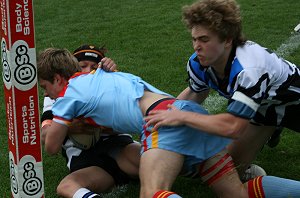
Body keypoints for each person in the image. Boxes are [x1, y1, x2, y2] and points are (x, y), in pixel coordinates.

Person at [38, 48, 300, 198]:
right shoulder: (102, 73)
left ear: (59, 78)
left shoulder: (67, 95)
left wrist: (64, 122)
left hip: (163, 120)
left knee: (151, 193)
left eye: (45, 86)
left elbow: (50, 147)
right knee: (238, 193)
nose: (45, 94)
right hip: (186, 110)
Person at [144, 0, 300, 177]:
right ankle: (269, 130)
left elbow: (233, 126)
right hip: (264, 108)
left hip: (293, 102)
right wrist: (162, 115)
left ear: (227, 40)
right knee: (229, 172)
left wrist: (183, 116)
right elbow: (196, 91)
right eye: (194, 39)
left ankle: (273, 129)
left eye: (204, 39)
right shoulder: (197, 63)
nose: (197, 46)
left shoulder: (249, 69)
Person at [40, 45, 141, 198]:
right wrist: (70, 126)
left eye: (93, 67)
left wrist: (98, 124)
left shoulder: (103, 87)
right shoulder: (53, 97)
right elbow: (46, 137)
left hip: (117, 146)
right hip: (84, 158)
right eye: (83, 66)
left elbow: (126, 121)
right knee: (66, 186)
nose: (87, 71)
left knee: (158, 160)